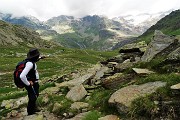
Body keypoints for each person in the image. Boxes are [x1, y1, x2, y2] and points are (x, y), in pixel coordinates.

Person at [20, 48, 41, 115]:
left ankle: (33, 108)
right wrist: (28, 84)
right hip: (31, 84)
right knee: (33, 97)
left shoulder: (29, 61)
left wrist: (41, 58)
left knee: (34, 95)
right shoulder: (30, 64)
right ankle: (30, 112)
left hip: (33, 82)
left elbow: (35, 60)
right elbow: (22, 76)